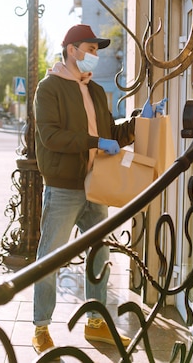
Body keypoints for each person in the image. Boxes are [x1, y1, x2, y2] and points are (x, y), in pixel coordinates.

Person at [32, 24, 136, 354]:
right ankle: (40, 328)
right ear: (72, 50)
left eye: (96, 50)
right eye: (91, 49)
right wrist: (94, 141)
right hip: (64, 187)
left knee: (100, 255)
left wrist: (139, 123)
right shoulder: (48, 89)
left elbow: (110, 134)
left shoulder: (95, 91)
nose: (95, 55)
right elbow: (52, 137)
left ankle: (96, 322)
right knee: (50, 256)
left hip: (96, 185)